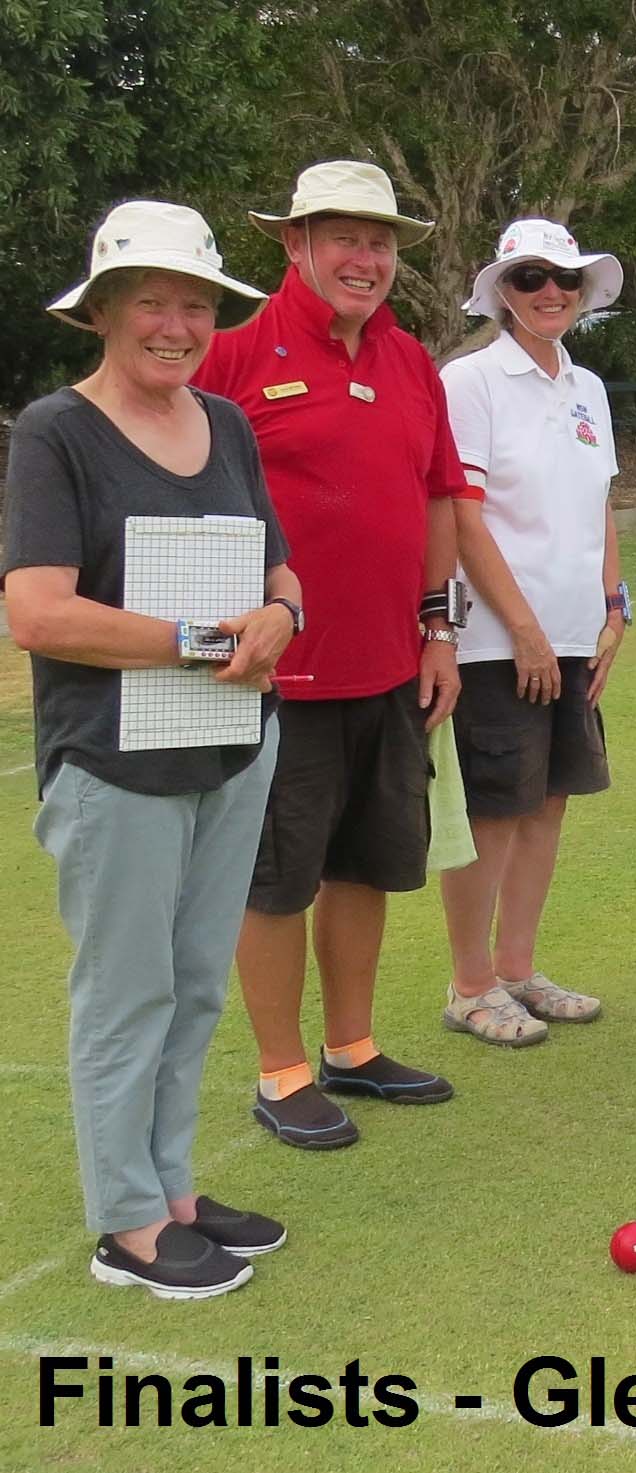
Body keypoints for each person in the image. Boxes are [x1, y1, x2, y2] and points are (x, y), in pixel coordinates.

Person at [4, 201, 297, 1296]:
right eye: (152, 304)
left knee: (192, 987)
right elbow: (36, 612)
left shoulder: (226, 424)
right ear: (104, 314)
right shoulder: (55, 433)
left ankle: (172, 1190)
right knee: (126, 995)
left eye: (195, 306)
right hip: (113, 765)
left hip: (230, 747)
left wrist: (280, 618)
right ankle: (126, 1225)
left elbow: (278, 568)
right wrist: (192, 640)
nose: (175, 326)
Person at [192, 160, 470, 1148]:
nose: (367, 258)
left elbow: (439, 498)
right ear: (294, 245)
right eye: (345, 236)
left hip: (392, 666)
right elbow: (172, 476)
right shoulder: (233, 353)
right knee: (276, 878)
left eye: (381, 240)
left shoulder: (410, 363)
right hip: (276, 681)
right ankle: (281, 1073)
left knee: (365, 865)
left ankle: (350, 1050)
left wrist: (439, 629)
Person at [436, 218, 627, 1046]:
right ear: (502, 293)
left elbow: (601, 503)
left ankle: (517, 967)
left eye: (566, 278)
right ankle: (471, 983)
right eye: (531, 278)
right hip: (497, 640)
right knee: (495, 811)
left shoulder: (588, 386)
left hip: (577, 631)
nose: (551, 290)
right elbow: (464, 516)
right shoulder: (470, 381)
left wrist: (615, 607)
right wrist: (524, 629)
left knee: (548, 803)